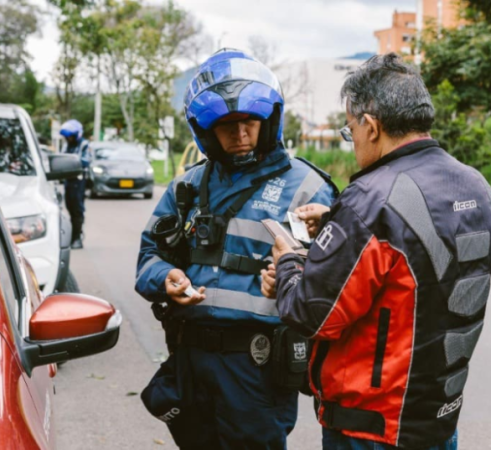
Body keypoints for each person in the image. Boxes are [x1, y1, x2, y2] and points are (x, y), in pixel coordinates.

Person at [262, 53, 491, 449]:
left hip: (371, 430)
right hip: (438, 420)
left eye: (350, 130)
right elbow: (417, 263)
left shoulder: (369, 201)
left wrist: (289, 263)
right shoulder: (474, 184)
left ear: (371, 126)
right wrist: (337, 220)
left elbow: (312, 314)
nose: (352, 142)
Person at [135, 48, 337, 449]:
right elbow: (146, 261)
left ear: (269, 120)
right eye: (226, 124)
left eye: (249, 120)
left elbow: (337, 285)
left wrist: (293, 275)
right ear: (206, 130)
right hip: (190, 357)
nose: (239, 133)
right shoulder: (187, 187)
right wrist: (167, 278)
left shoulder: (306, 187)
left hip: (257, 367)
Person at [59, 119, 90, 249]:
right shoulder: (67, 145)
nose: (68, 139)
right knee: (69, 207)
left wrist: (71, 160)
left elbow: (85, 161)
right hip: (68, 180)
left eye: (70, 136)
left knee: (77, 209)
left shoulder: (84, 145)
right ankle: (74, 235)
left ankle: (77, 238)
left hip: (79, 181)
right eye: (67, 136)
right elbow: (61, 158)